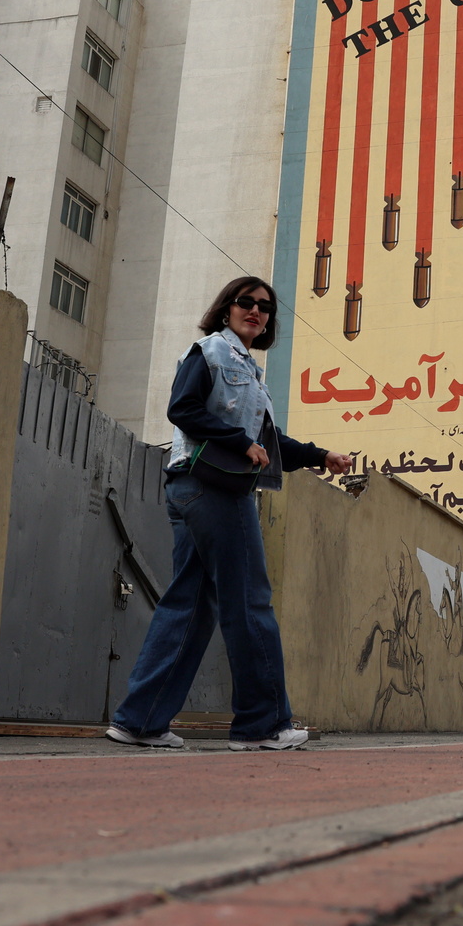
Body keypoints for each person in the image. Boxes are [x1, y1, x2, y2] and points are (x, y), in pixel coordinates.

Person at [107, 275, 354, 751]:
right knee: (249, 602)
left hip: (193, 489)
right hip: (214, 490)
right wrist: (239, 442)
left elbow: (268, 444)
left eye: (265, 307)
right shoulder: (211, 351)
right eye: (246, 302)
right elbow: (183, 409)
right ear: (226, 308)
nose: (256, 311)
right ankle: (263, 725)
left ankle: (140, 721)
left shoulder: (249, 371)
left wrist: (321, 456)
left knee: (189, 607)